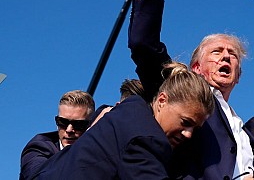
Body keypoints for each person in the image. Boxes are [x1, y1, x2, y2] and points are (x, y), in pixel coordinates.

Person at [128, 0, 254, 180]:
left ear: (238, 76)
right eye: (217, 52)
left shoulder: (246, 132)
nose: (226, 56)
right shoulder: (181, 92)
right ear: (196, 66)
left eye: (233, 55)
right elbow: (143, 44)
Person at [32, 62, 215, 179]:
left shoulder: (131, 108)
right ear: (161, 100)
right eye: (185, 122)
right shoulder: (145, 139)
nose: (189, 134)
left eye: (195, 128)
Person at [19, 90, 94, 180]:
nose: (69, 130)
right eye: (63, 122)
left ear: (90, 126)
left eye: (78, 124)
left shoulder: (98, 151)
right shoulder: (39, 148)